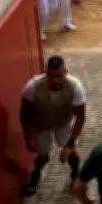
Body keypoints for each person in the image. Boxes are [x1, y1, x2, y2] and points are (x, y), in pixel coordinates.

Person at [20, 55, 87, 196]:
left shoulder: (75, 87)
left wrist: (70, 143)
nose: (55, 81)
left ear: (66, 71)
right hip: (41, 124)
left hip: (62, 122)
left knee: (72, 153)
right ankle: (36, 174)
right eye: (51, 76)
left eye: (59, 76)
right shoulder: (32, 87)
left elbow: (80, 118)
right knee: (43, 156)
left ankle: (76, 175)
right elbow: (25, 114)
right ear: (46, 73)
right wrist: (28, 136)